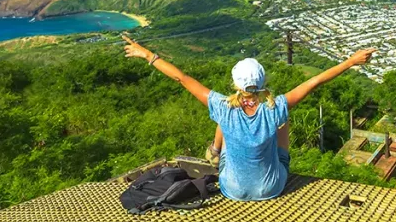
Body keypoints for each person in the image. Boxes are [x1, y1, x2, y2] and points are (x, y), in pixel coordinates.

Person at [122, 34, 375, 201]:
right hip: (270, 188)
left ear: (235, 83)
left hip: (232, 189)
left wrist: (147, 54)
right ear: (263, 81)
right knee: (282, 122)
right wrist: (351, 61)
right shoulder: (275, 107)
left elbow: (182, 78)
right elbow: (315, 80)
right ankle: (223, 151)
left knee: (224, 113)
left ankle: (214, 149)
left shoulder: (223, 105)